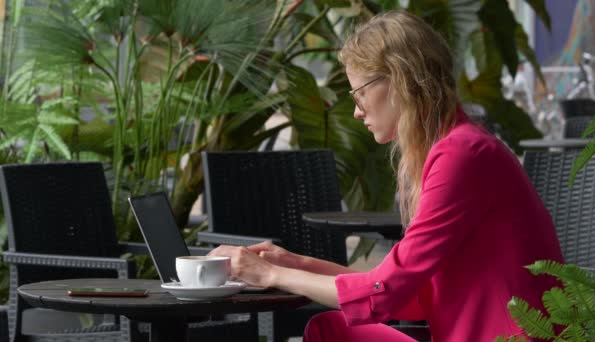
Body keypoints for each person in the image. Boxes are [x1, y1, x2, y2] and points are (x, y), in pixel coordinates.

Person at [208, 10, 564, 341]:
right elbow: (406, 294)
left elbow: (387, 292)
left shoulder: (463, 154)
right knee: (331, 329)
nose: (357, 111)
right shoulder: (451, 148)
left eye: (359, 93)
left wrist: (273, 275)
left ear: (400, 80)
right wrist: (293, 262)